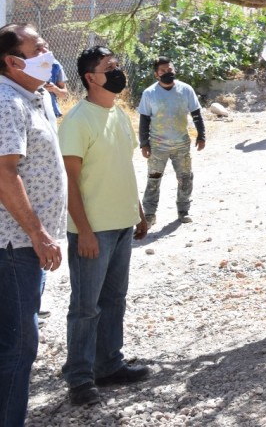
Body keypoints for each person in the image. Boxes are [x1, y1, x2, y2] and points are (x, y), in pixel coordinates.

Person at [59, 46, 149, 406]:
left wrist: (138, 213)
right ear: (90, 78)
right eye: (109, 68)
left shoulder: (119, 115)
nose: (117, 72)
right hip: (93, 231)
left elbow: (122, 169)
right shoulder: (78, 120)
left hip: (122, 223)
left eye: (117, 66)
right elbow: (69, 181)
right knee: (86, 306)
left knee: (114, 300)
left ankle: (108, 364)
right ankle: (79, 377)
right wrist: (83, 230)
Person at [0, 24, 66, 427]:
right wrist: (38, 233)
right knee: (19, 345)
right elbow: (5, 174)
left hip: (26, 245)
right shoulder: (7, 101)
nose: (47, 51)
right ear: (12, 61)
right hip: (14, 245)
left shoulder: (36, 96)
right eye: (38, 47)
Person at [138, 57, 205, 226]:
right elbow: (144, 119)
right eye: (163, 71)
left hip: (181, 144)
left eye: (170, 70)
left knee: (185, 178)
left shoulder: (186, 90)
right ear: (156, 75)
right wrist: (144, 144)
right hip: (157, 146)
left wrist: (201, 135)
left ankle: (183, 211)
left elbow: (196, 114)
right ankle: (150, 215)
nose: (168, 73)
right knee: (153, 179)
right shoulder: (149, 93)